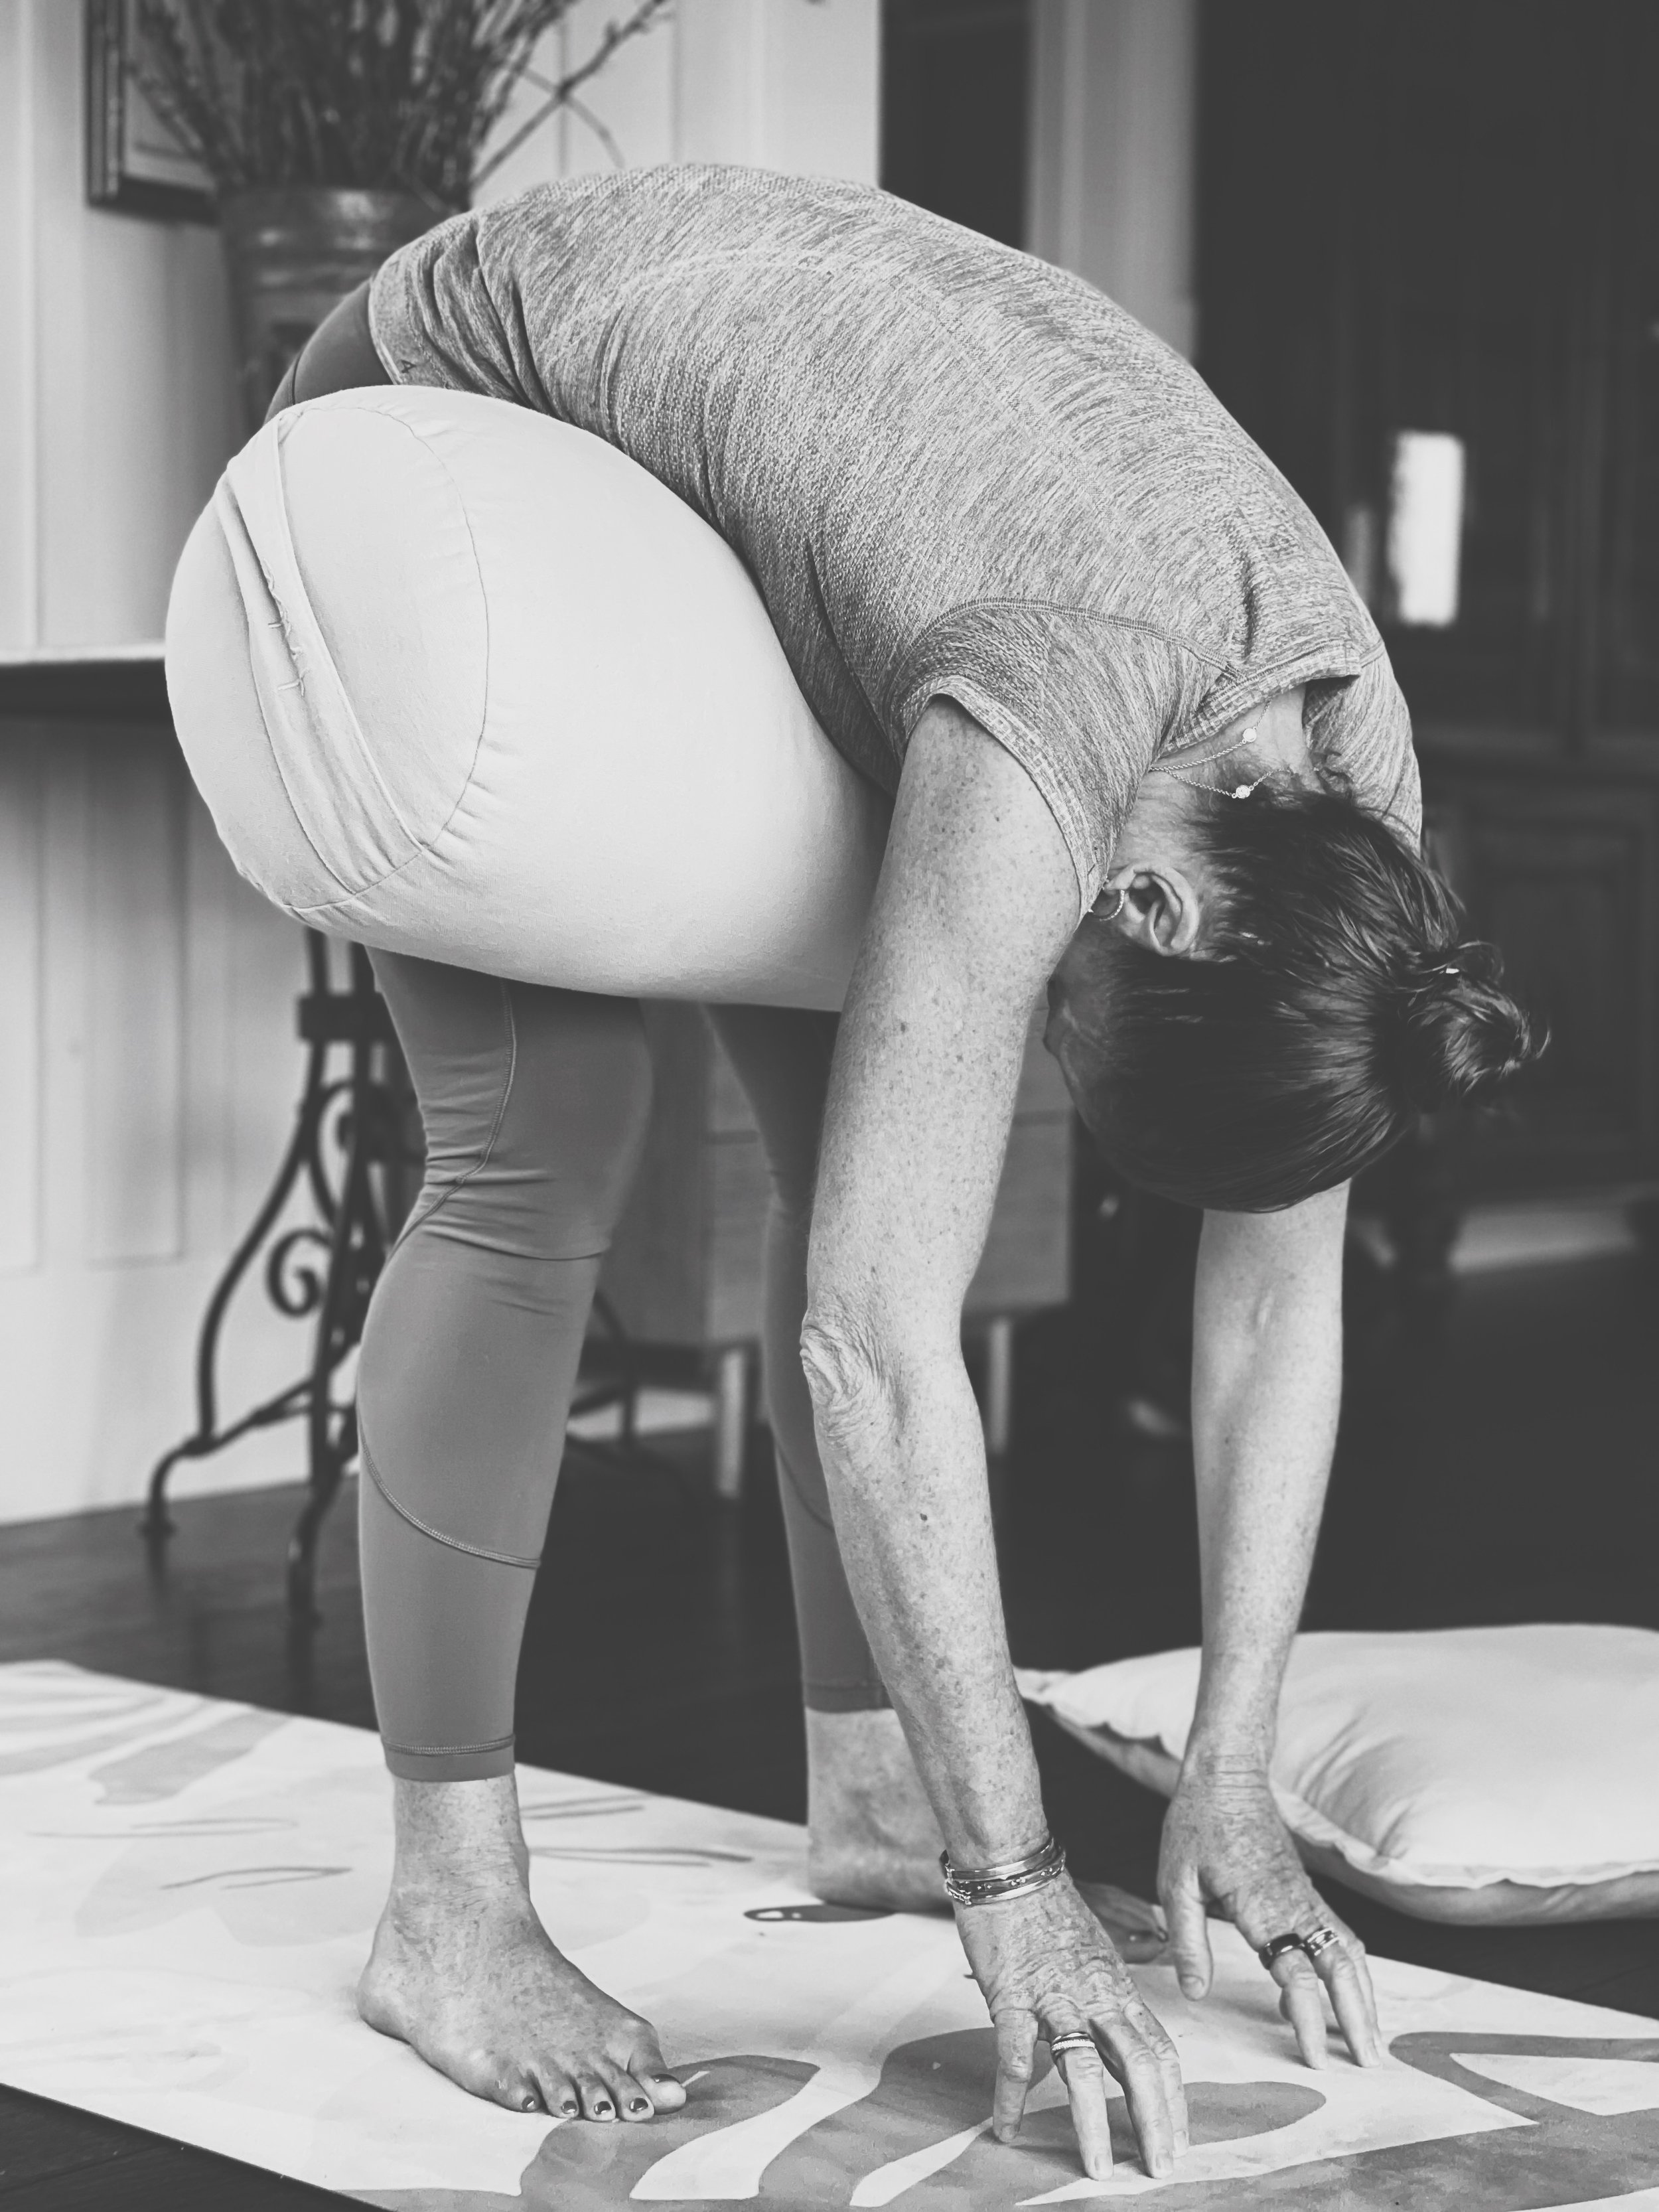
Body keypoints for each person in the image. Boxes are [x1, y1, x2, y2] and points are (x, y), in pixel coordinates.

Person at [167, 166, 1538, 2185]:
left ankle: (872, 1787)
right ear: (1135, 906)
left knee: (850, 1123)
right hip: (446, 406)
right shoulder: (1044, 724)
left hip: (813, 520)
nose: (1031, 1056)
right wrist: (1019, 1889)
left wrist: (1232, 1777)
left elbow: (1273, 1303)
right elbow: (871, 1350)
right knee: (543, 1143)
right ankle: (445, 1908)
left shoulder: (1343, 789)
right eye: (1074, 1033)